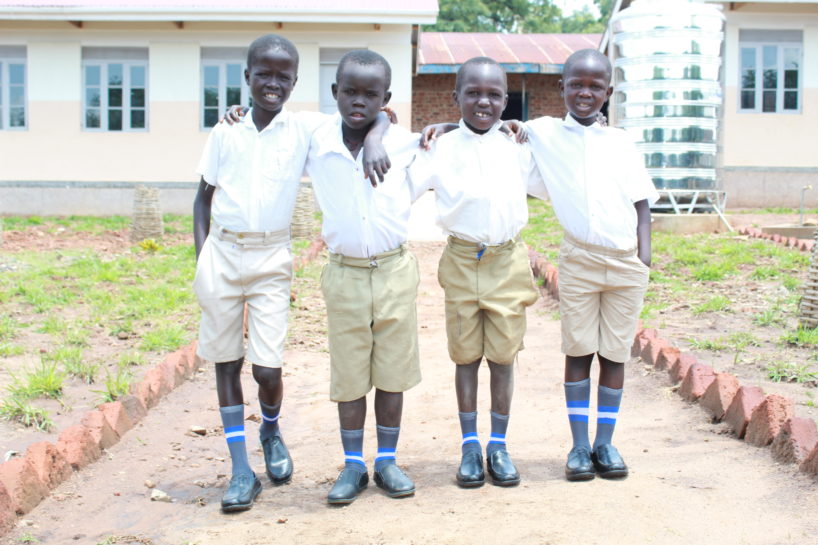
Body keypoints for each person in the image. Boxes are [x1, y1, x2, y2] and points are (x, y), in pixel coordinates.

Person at [192, 34, 389, 513]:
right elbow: (202, 198)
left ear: (296, 82)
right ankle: (241, 468)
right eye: (263, 74)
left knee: (266, 367)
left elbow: (373, 112)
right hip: (222, 251)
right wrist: (201, 259)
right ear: (247, 78)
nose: (272, 84)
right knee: (225, 360)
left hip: (272, 258)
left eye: (283, 77)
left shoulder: (304, 130)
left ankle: (272, 428)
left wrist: (380, 133)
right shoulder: (226, 131)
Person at [410, 57, 546, 488]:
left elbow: (569, 139)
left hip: (507, 261)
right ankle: (470, 444)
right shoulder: (440, 147)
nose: (483, 102)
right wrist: (438, 128)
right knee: (466, 356)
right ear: (456, 99)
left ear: (507, 100)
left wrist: (597, 118)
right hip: (462, 259)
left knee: (504, 356)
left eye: (493, 94)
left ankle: (498, 444)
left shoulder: (519, 145)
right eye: (472, 93)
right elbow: (403, 176)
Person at [524, 49, 658, 481]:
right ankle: (579, 446)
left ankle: (605, 442)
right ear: (561, 87)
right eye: (576, 84)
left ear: (608, 92)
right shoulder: (542, 133)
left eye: (594, 86)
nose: (584, 93)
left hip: (624, 262)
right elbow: (484, 126)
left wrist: (644, 253)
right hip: (579, 258)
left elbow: (641, 201)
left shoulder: (622, 142)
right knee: (578, 349)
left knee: (614, 353)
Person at [304, 50, 421, 505]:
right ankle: (353, 465)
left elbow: (456, 135)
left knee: (392, 369)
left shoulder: (407, 143)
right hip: (345, 273)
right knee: (350, 372)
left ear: (385, 98)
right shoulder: (315, 141)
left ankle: (387, 460)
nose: (358, 100)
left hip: (393, 269)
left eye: (371, 95)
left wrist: (382, 132)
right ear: (335, 92)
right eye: (349, 91)